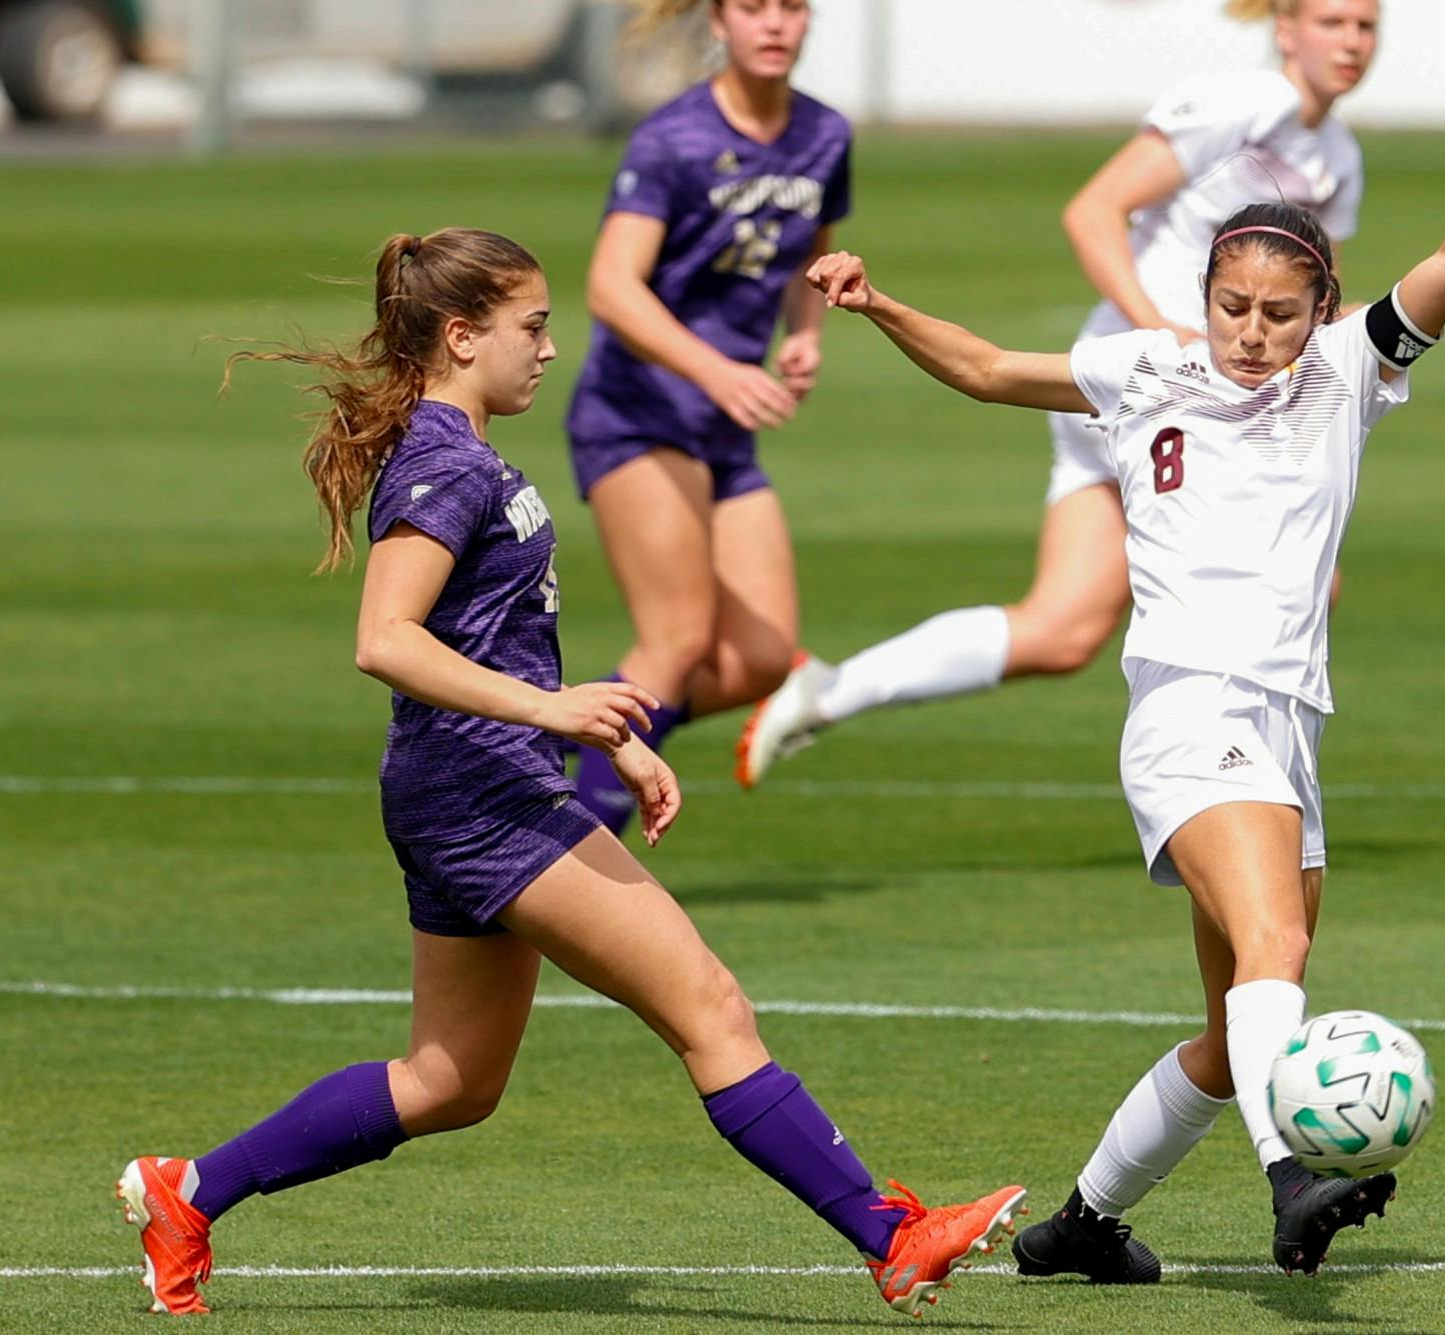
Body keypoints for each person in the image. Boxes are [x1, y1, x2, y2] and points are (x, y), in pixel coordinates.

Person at [115, 228, 1024, 1320]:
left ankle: (189, 1190)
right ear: (461, 337)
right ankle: (891, 1237)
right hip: (484, 800)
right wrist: (555, 711)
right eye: (531, 327)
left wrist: (607, 737)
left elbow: (485, 637)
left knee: (450, 1083)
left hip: (464, 788)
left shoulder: (458, 449)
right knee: (712, 1011)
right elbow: (385, 638)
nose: (550, 349)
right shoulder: (445, 465)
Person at [799, 29, 1445, 1282]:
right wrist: (877, 303)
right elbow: (993, 369)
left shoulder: (1348, 368)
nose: (1250, 333)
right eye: (1231, 306)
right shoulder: (1147, 367)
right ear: (1204, 293)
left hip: (1284, 720)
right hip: (1189, 707)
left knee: (1233, 1031)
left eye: (1278, 311)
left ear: (1320, 306)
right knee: (1274, 961)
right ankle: (1291, 1178)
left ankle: (1080, 1227)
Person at [738, 0, 1379, 788]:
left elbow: (1317, 297)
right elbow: (1094, 210)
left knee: (1062, 630)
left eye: (1365, 27)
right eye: (1332, 22)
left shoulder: (1338, 154)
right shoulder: (1239, 106)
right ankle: (1224, 762)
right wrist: (1165, 333)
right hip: (1137, 388)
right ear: (1286, 29)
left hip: (1192, 396)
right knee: (1291, 571)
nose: (1350, 42)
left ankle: (831, 689)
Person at [565, 0, 850, 830]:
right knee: (678, 639)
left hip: (723, 423)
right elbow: (612, 285)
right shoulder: (673, 139)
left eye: (792, 7)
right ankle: (569, 857)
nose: (774, 24)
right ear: (718, 22)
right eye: (752, 7)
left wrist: (804, 332)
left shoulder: (826, 134)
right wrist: (717, 370)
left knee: (762, 657)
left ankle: (582, 749)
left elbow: (809, 249)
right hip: (638, 410)